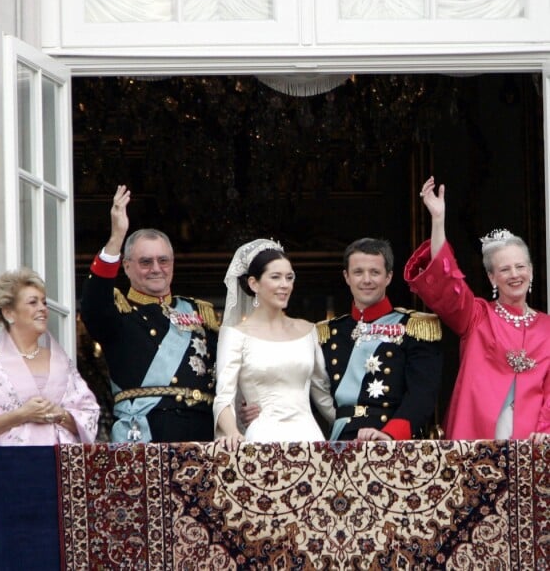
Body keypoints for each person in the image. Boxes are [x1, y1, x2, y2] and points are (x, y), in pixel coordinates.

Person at [405, 176, 550, 442]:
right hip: (476, 437)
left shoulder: (547, 327)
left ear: (530, 271)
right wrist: (438, 221)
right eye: (504, 269)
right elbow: (447, 282)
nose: (514, 275)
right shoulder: (477, 316)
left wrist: (544, 433)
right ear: (493, 278)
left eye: (520, 267)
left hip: (534, 443)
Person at [80, 185, 219, 443]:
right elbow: (92, 303)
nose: (156, 269)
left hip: (202, 429)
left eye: (163, 260)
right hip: (148, 432)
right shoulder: (119, 314)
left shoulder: (200, 313)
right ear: (127, 267)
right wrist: (116, 238)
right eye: (145, 262)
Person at [213, 239, 335, 450]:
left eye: (289, 277)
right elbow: (224, 396)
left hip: (310, 438)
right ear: (254, 284)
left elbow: (322, 395)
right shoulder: (235, 334)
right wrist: (232, 433)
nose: (285, 285)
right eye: (276, 277)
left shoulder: (308, 330)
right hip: (262, 439)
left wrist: (352, 428)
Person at [318, 237, 443, 441]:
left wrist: (390, 434)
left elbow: (423, 394)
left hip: (393, 440)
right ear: (346, 277)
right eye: (358, 272)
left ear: (389, 277)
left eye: (375, 272)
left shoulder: (413, 328)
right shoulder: (328, 332)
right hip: (340, 441)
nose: (366, 280)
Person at [0, 268, 99, 445]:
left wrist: (60, 415)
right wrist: (22, 415)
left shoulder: (60, 362)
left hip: (58, 465)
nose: (43, 309)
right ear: (9, 313)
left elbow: (88, 414)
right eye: (33, 302)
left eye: (44, 303)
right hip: (7, 465)